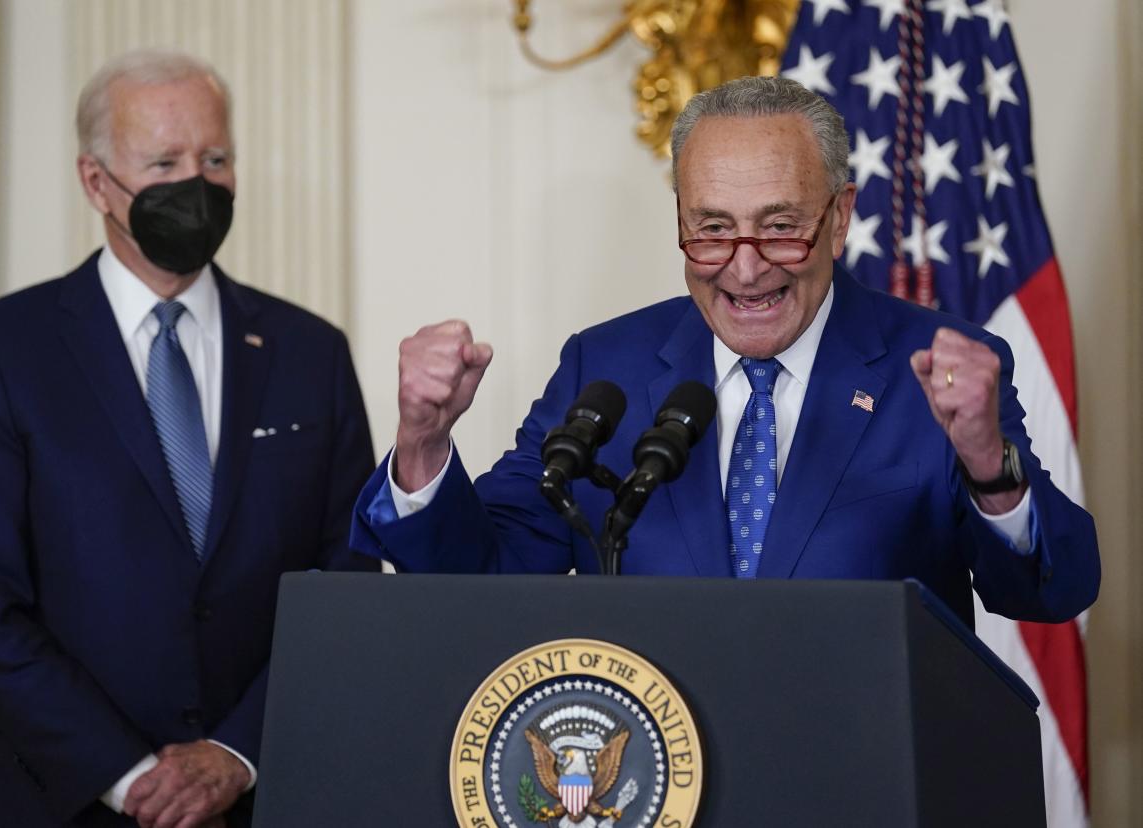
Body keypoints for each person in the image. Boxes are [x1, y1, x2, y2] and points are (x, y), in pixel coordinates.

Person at [348, 76, 1098, 629]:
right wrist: (422, 443)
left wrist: (989, 467)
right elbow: (484, 573)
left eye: (780, 228)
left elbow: (1048, 592)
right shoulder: (605, 365)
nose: (744, 269)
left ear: (840, 219)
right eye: (711, 229)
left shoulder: (935, 369)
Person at [0, 50, 376, 827]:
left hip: (265, 796)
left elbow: (346, 582)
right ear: (96, 181)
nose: (195, 185)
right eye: (164, 161)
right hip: (64, 798)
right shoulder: (4, 349)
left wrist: (236, 755)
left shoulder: (312, 352)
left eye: (214, 158)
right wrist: (132, 776)